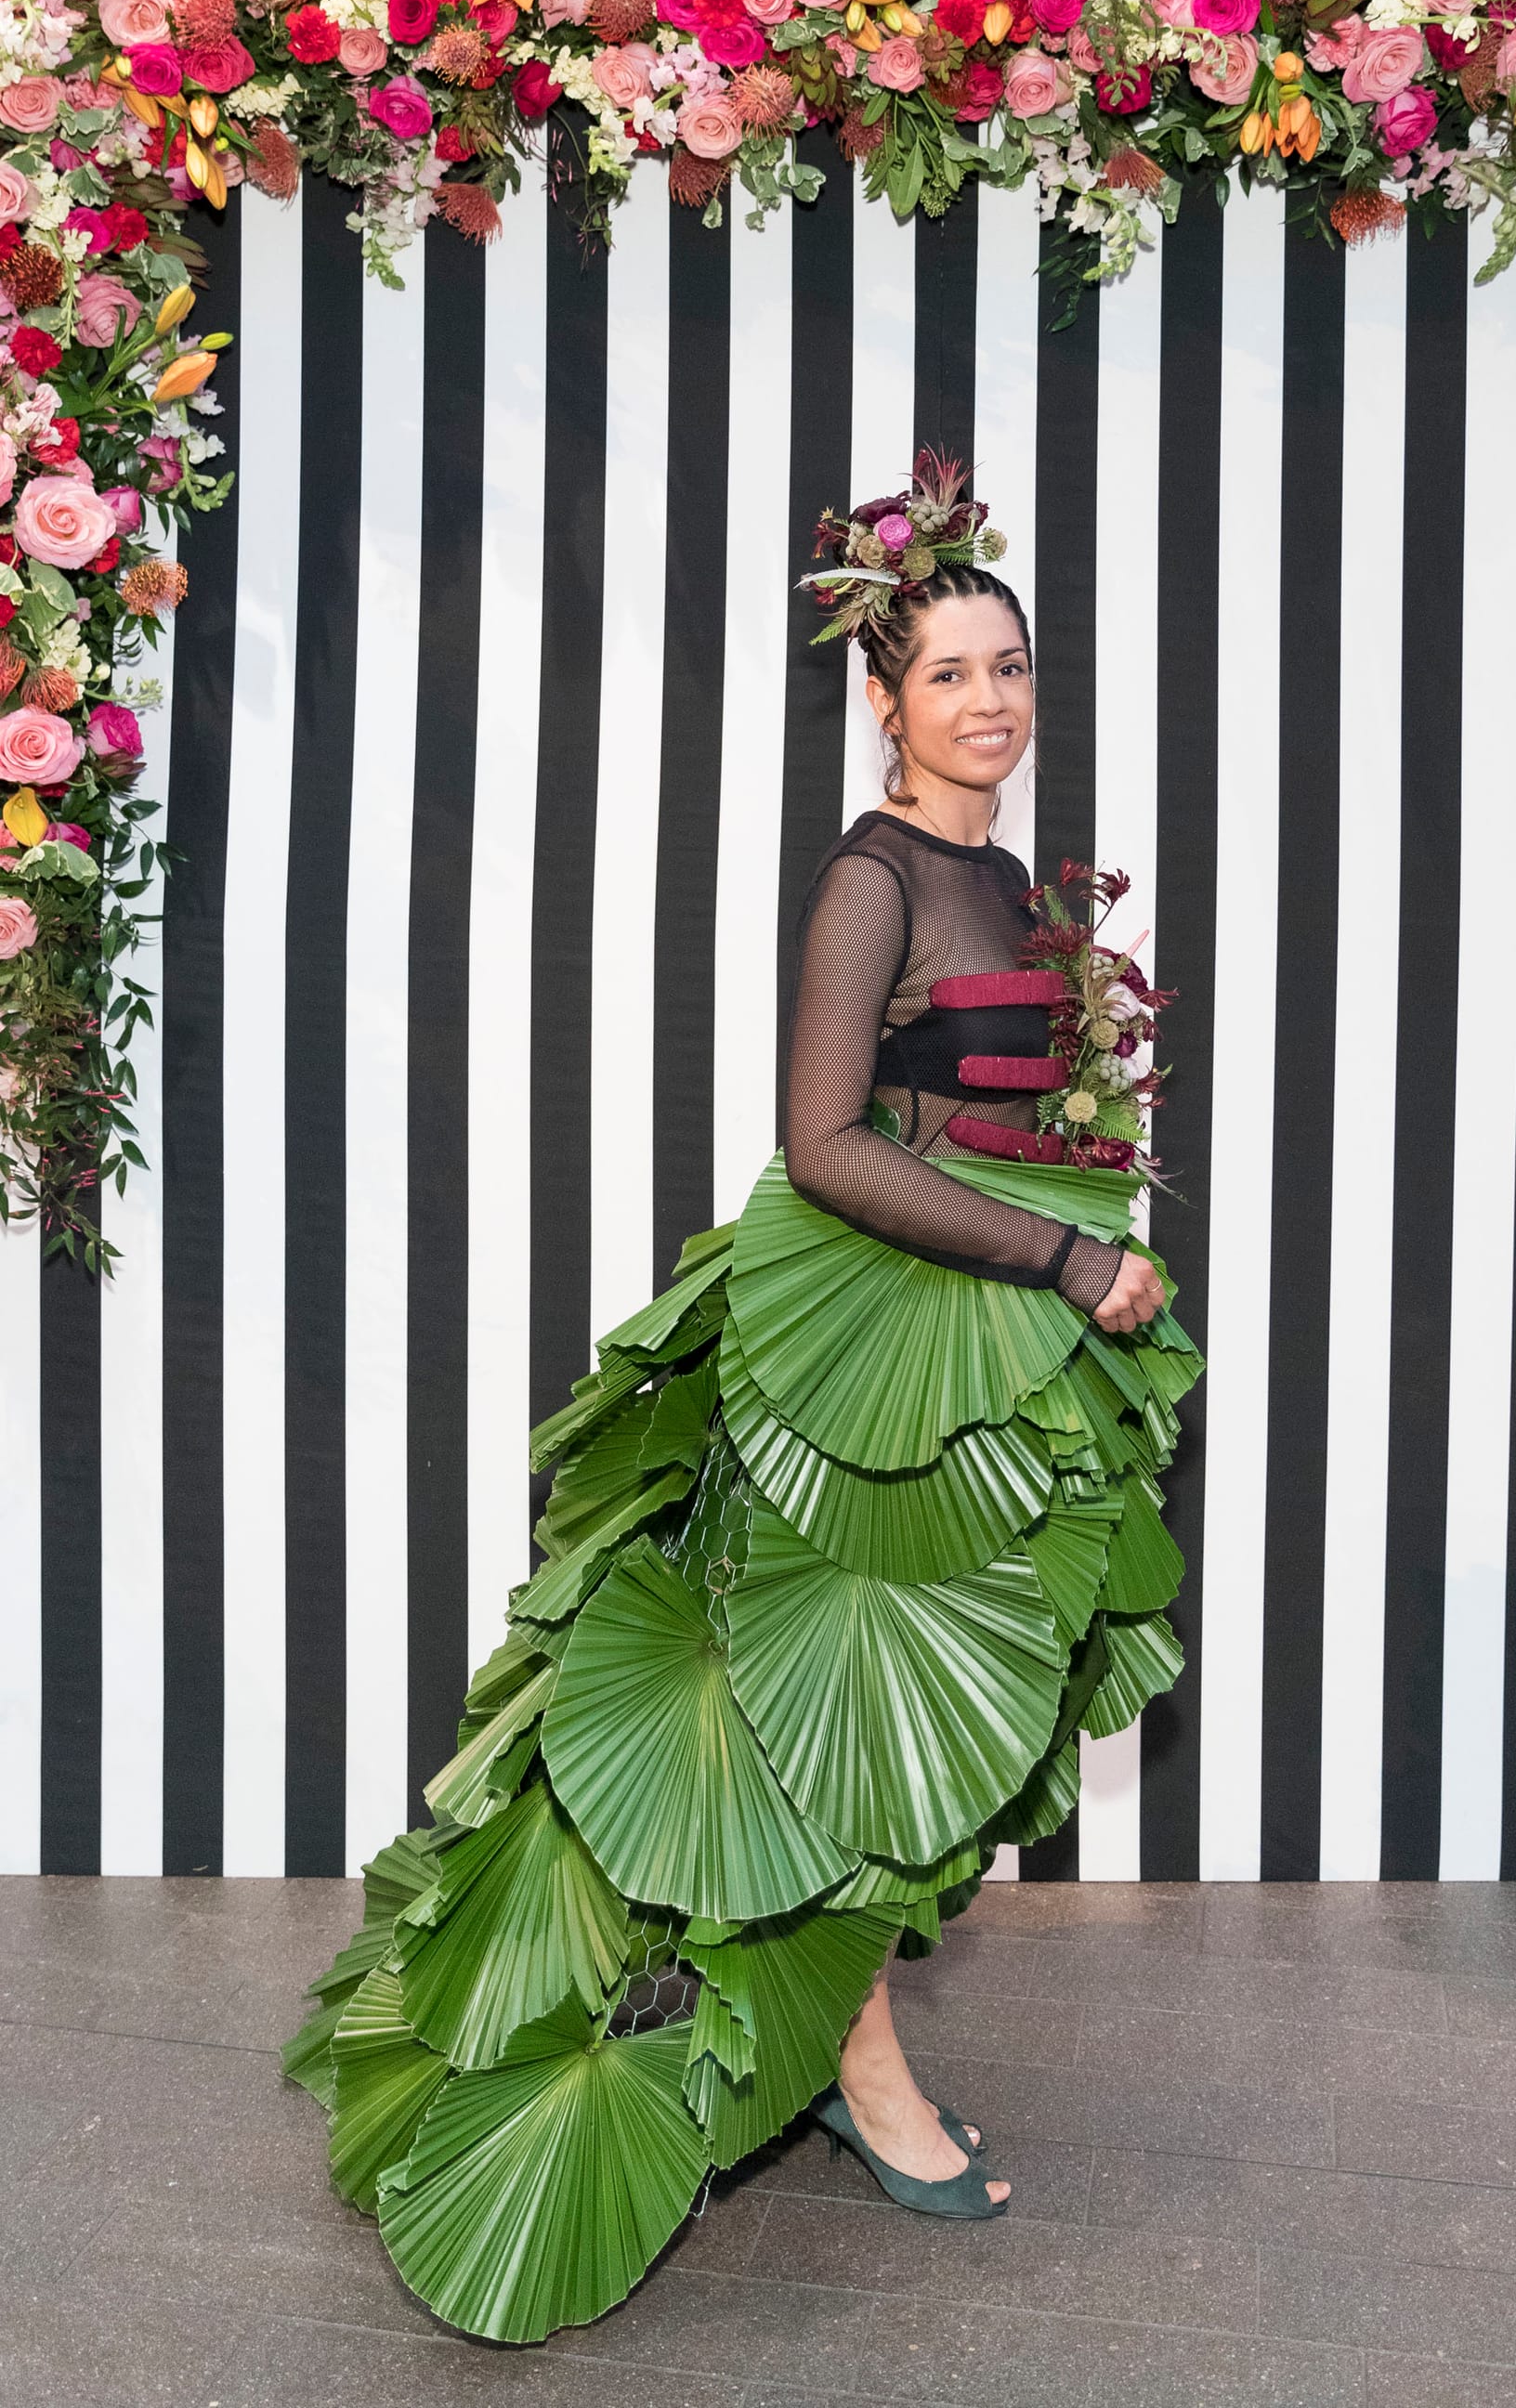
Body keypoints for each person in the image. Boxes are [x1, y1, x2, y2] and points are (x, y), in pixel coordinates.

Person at [283, 458, 1203, 2345]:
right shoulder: (872, 876)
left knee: (897, 1721)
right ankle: (857, 2077)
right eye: (949, 674)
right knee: (815, 1735)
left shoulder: (1004, 871)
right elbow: (824, 1144)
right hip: (870, 1343)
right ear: (881, 700)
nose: (991, 700)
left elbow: (993, 1098)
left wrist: (1086, 1182)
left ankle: (833, 2041)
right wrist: (1052, 1259)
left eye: (1009, 665)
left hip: (979, 1352)